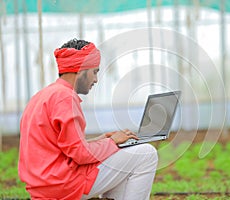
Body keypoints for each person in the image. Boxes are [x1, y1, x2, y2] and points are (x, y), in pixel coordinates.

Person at [18, 39, 158, 200]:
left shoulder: (43, 96)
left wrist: (102, 140)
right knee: (146, 153)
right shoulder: (65, 98)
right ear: (80, 70)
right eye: (95, 72)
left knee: (124, 158)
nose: (96, 80)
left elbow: (65, 147)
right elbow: (80, 155)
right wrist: (111, 143)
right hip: (63, 185)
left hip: (43, 186)